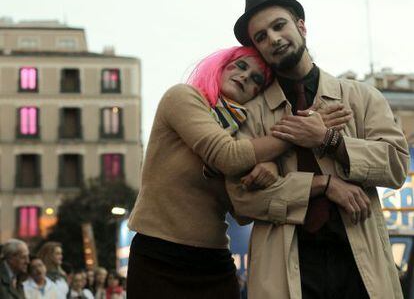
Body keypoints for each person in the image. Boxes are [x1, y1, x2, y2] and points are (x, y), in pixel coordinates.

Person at [226, 0, 410, 298]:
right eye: (261, 36)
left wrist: (329, 139)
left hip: (360, 264)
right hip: (286, 270)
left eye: (279, 25)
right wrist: (322, 184)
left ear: (301, 26)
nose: (273, 38)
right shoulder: (250, 114)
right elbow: (242, 201)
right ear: (257, 48)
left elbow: (395, 167)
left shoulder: (361, 97)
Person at [126, 45, 349, 298]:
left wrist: (270, 167)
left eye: (257, 79)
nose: (245, 76)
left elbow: (242, 212)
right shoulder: (183, 97)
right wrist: (300, 134)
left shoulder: (247, 135)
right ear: (221, 66)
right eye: (240, 66)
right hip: (158, 255)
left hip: (213, 259)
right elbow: (228, 156)